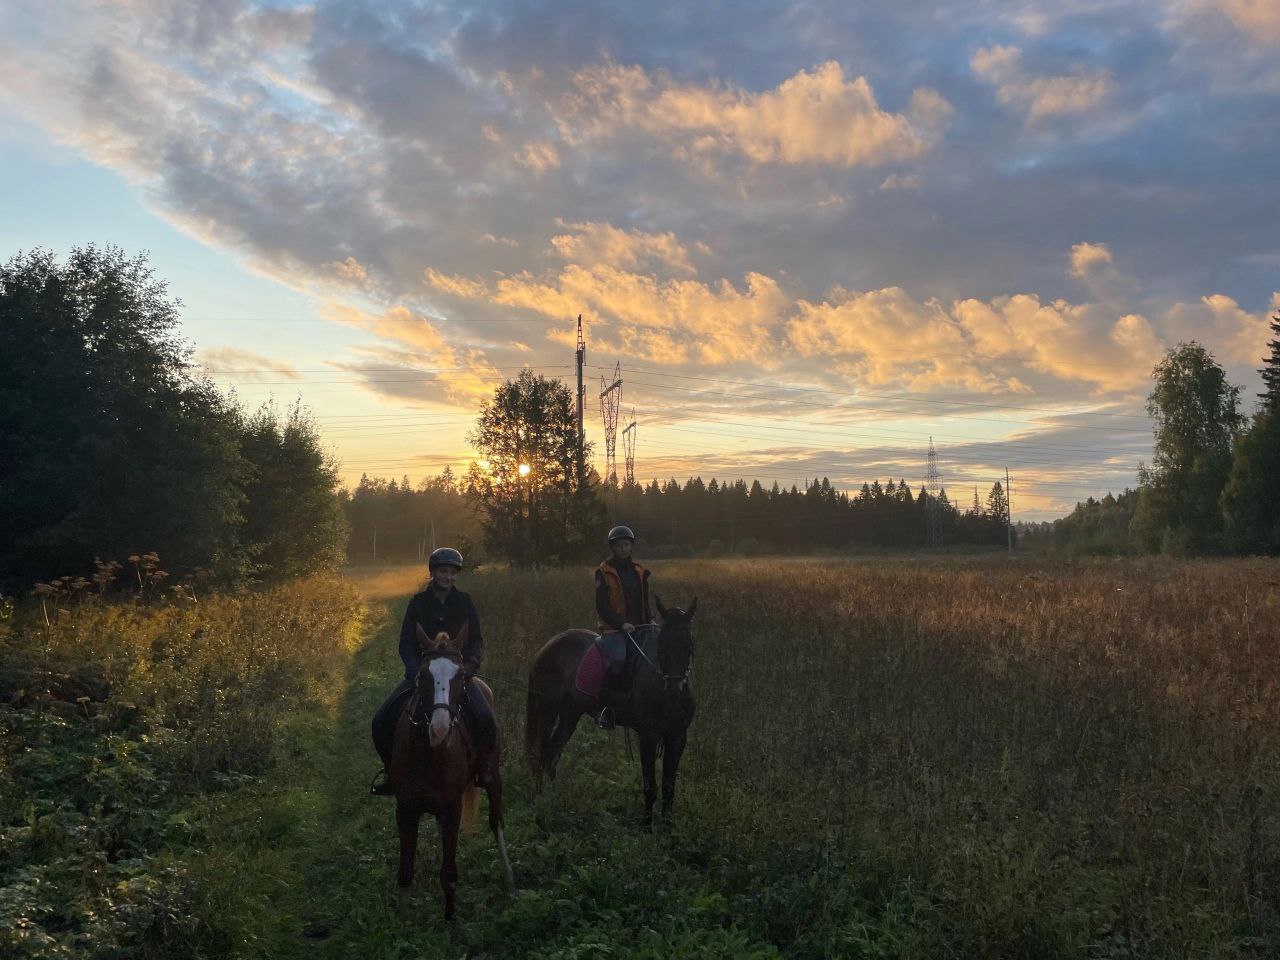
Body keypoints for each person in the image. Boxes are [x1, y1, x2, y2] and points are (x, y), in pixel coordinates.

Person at [369, 547, 496, 796]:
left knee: (486, 718)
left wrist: (470, 667)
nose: (448, 577)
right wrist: (415, 671)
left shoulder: (465, 602)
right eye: (443, 571)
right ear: (433, 572)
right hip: (423, 676)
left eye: (452, 573)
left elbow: (477, 641)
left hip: (457, 676)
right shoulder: (418, 603)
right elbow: (406, 642)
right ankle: (390, 772)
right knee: (381, 719)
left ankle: (483, 768)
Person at [593, 525, 653, 729]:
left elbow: (644, 601)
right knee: (618, 659)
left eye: (626, 545)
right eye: (619, 545)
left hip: (640, 626)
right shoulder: (603, 572)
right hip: (614, 629)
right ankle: (605, 708)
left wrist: (650, 619)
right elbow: (601, 607)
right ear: (613, 548)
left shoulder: (639, 571)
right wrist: (621, 623)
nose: (623, 549)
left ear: (631, 546)